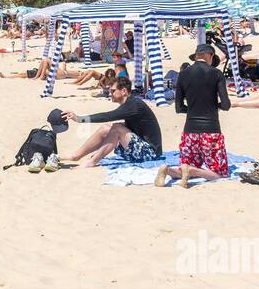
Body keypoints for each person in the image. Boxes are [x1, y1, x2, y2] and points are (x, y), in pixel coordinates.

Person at [156, 43, 231, 188]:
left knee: (183, 166)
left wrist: (192, 110)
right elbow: (226, 105)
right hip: (211, 131)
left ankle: (167, 170)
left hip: (190, 131)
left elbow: (178, 108)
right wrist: (215, 107)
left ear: (196, 56)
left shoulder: (183, 74)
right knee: (220, 173)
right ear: (210, 56)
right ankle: (191, 171)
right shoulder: (216, 74)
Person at [60, 76, 162, 167]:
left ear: (123, 91)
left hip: (151, 154)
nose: (110, 94)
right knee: (106, 128)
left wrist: (79, 119)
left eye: (113, 91)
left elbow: (107, 116)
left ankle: (92, 161)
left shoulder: (134, 105)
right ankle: (76, 156)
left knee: (116, 128)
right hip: (140, 148)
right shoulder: (130, 103)